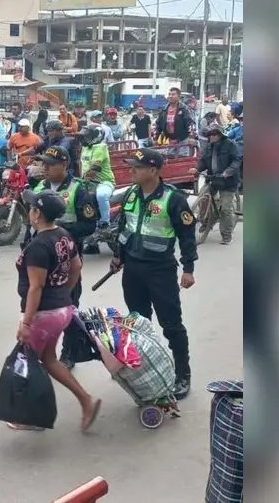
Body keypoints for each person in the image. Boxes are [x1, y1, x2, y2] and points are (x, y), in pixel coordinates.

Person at [10, 190, 101, 432]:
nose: (29, 211)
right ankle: (86, 400)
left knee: (27, 364)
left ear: (37, 213)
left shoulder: (38, 246)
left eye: (31, 208)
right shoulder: (64, 235)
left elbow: (35, 287)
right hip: (62, 310)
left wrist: (27, 323)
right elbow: (77, 266)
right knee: (48, 359)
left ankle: (35, 417)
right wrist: (64, 294)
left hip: (43, 314)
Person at [112, 147, 198, 399]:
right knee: (138, 323)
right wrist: (118, 256)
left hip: (160, 271)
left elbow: (187, 236)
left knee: (171, 325)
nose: (131, 171)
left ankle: (183, 374)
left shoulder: (173, 199)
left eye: (136, 167)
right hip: (133, 270)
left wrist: (189, 269)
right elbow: (123, 227)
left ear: (153, 170)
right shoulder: (130, 194)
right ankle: (148, 368)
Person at [30, 146, 99, 369]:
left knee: (68, 304)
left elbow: (88, 225)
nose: (46, 168)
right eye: (44, 164)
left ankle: (69, 352)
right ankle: (42, 350)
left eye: (51, 164)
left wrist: (57, 232)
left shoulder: (80, 189)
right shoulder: (40, 187)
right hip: (42, 259)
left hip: (67, 257)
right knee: (42, 306)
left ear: (65, 165)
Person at [191, 124, 242, 245]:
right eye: (209, 134)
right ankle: (207, 221)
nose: (211, 136)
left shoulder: (230, 145)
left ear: (219, 135)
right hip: (213, 179)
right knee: (203, 198)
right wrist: (196, 169)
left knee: (225, 209)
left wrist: (228, 171)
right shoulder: (208, 147)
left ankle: (226, 234)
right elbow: (203, 161)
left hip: (228, 182)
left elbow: (236, 160)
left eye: (213, 134)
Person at [78, 126, 116, 232]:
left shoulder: (101, 147)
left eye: (88, 136)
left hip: (104, 182)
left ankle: (105, 222)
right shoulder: (85, 147)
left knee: (101, 195)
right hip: (87, 181)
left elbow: (94, 168)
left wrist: (83, 180)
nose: (85, 139)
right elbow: (82, 164)